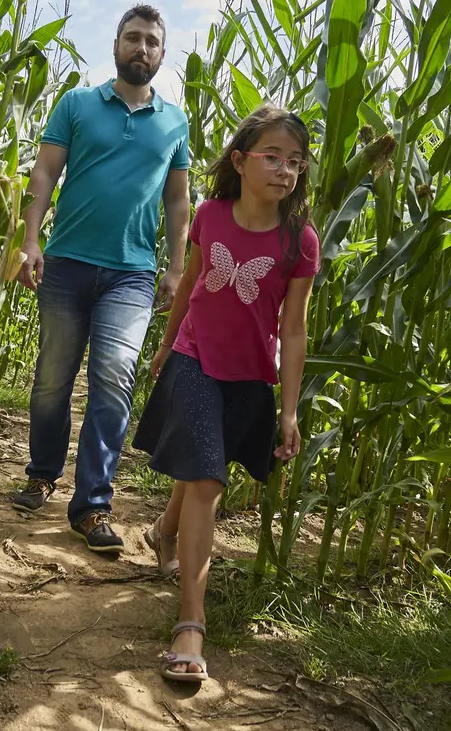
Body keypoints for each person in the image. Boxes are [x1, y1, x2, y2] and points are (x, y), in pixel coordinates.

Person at [133, 106, 318, 682]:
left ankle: (164, 532)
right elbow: (189, 283)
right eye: (272, 157)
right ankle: (191, 622)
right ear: (239, 162)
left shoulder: (299, 240)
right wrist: (165, 346)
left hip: (248, 374)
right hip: (194, 359)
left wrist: (288, 410)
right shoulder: (210, 215)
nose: (285, 170)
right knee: (209, 479)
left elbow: (292, 328)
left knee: (198, 471)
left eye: (295, 161)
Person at [10, 5, 192, 554]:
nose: (142, 48)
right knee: (51, 381)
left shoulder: (175, 121)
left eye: (152, 42)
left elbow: (178, 198)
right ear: (115, 45)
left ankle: (92, 505)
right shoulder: (77, 104)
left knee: (114, 376)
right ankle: (42, 473)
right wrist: (30, 239)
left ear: (161, 54)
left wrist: (178, 265)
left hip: (132, 273)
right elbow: (44, 172)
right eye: (132, 38)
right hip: (66, 262)